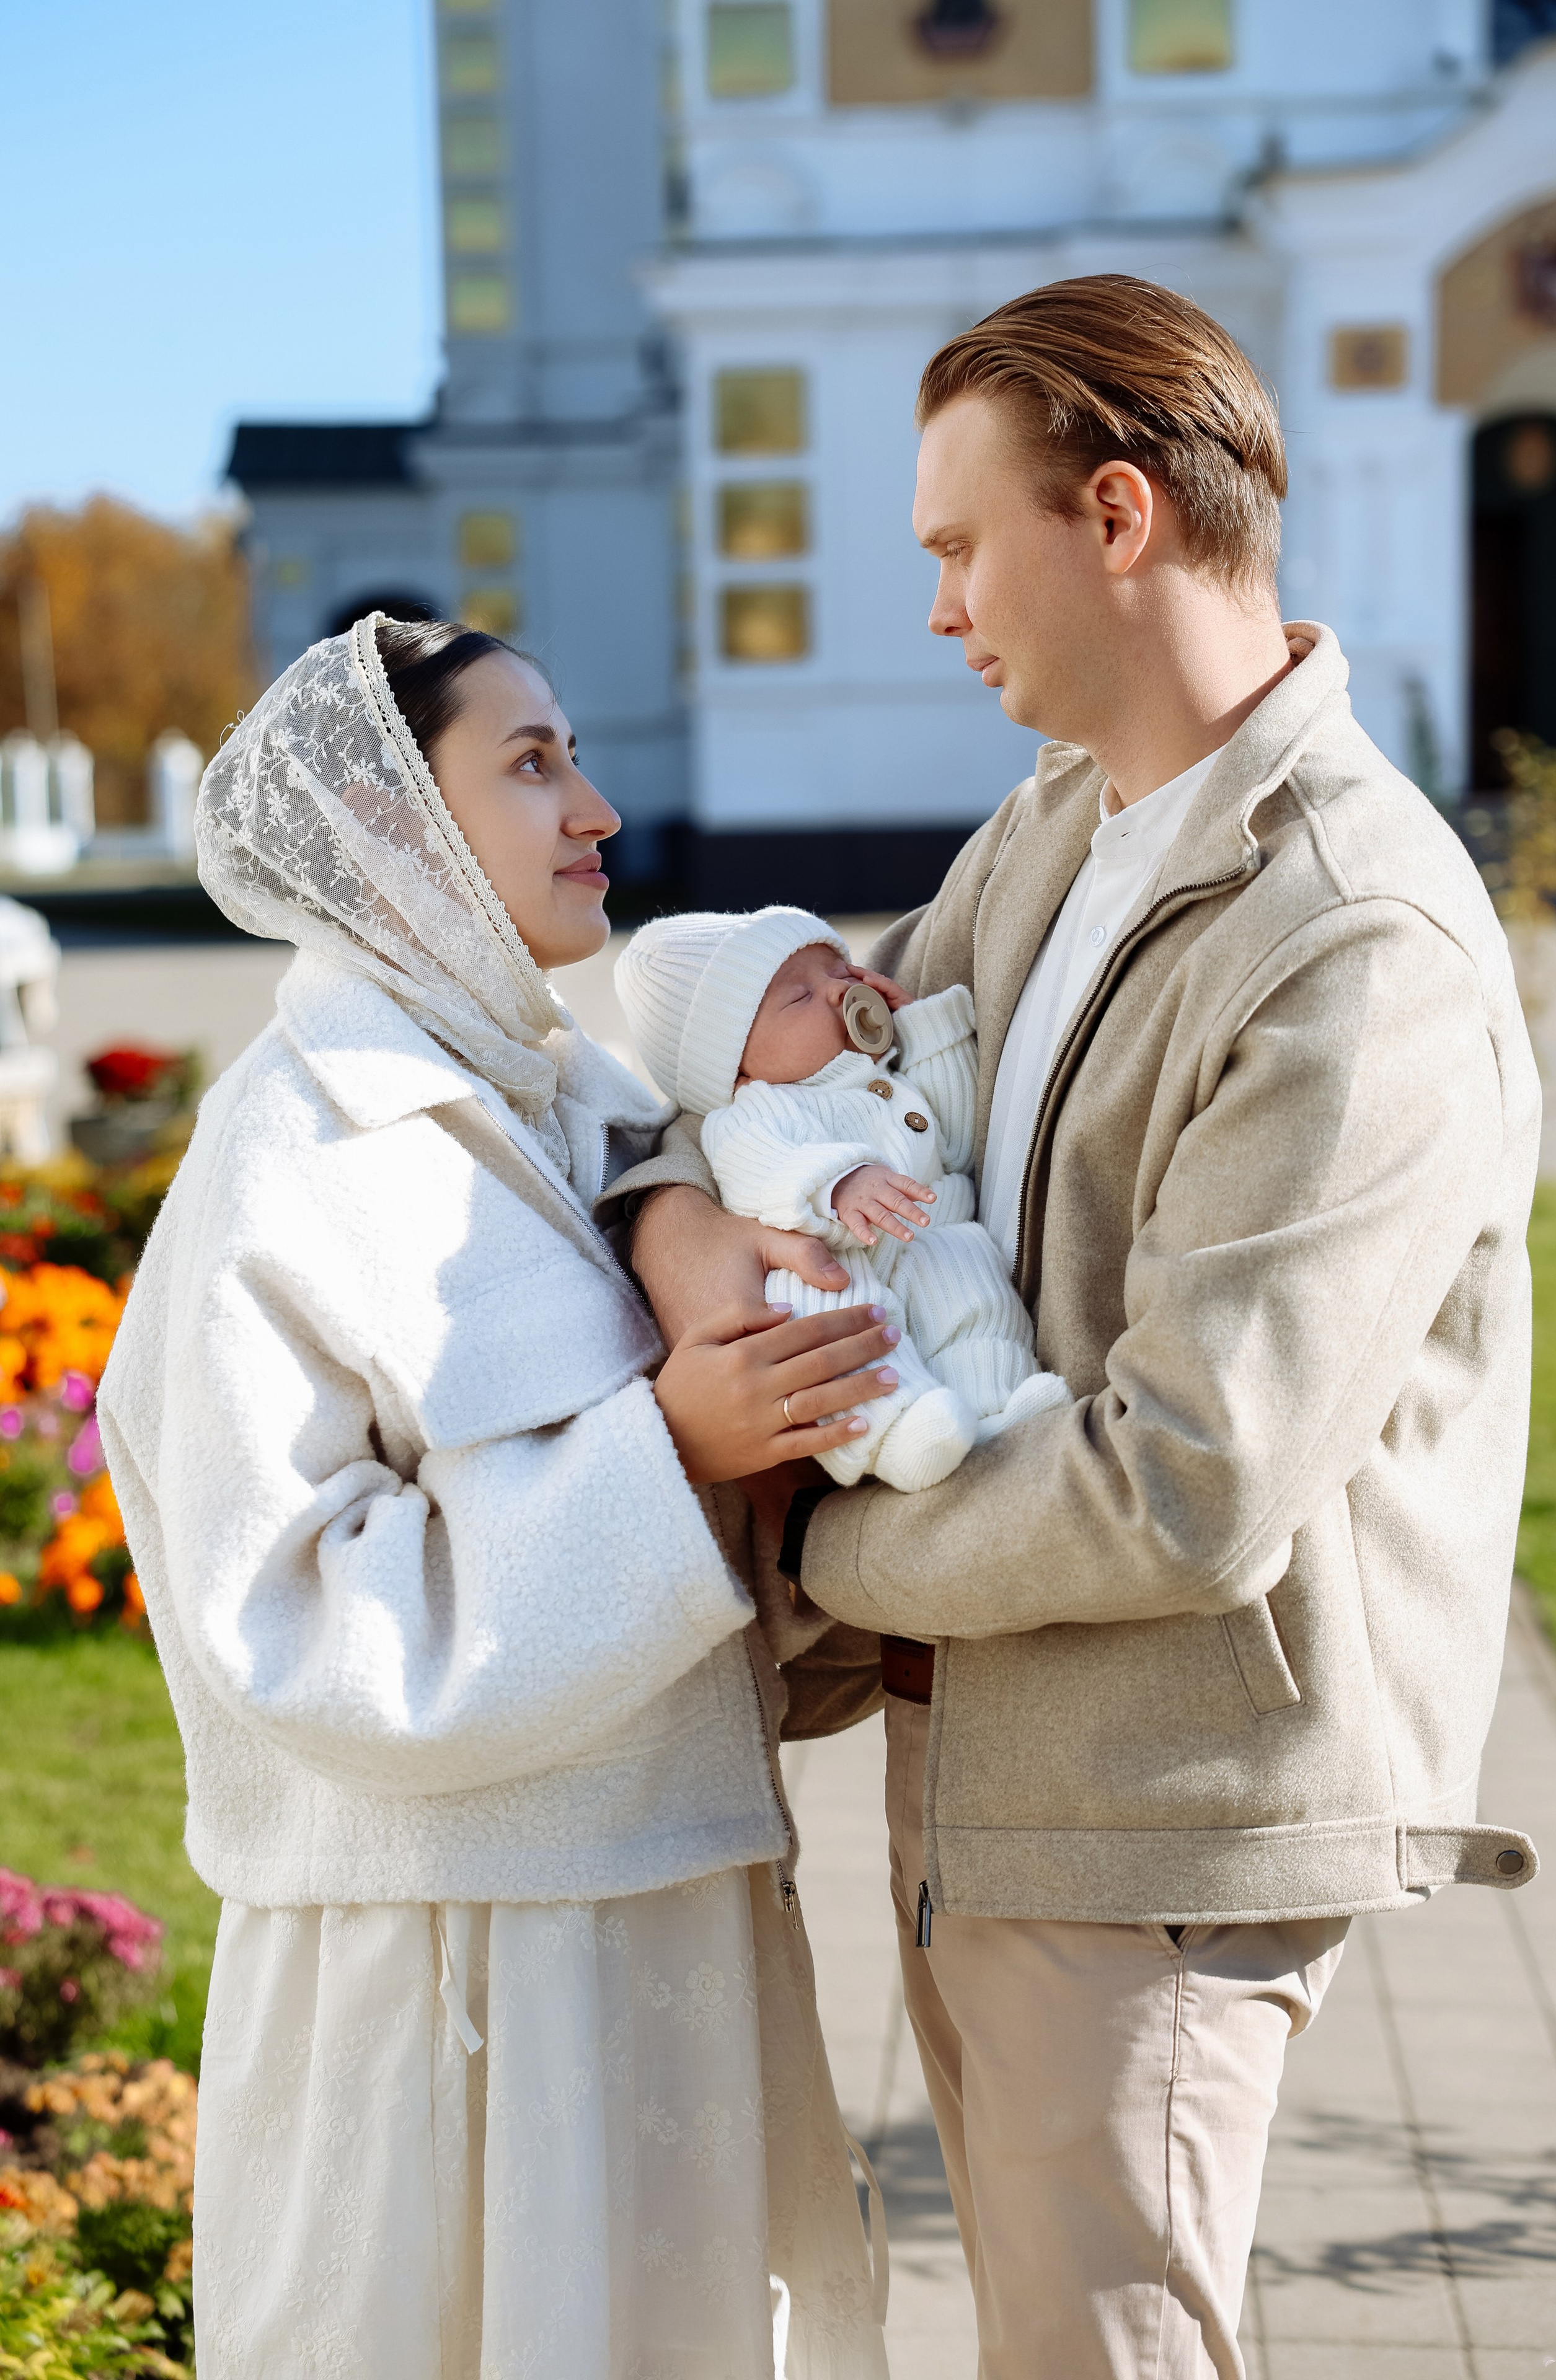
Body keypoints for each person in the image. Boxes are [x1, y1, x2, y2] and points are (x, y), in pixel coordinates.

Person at [607, 276, 1542, 2379]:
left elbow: (1193, 1480)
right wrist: (686, 1241)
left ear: (1116, 517)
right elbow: (764, 1097)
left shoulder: (1356, 938)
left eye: (958, 544)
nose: (937, 602)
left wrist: (814, 1539)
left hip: (1165, 1791)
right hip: (1002, 1740)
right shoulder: (1063, 819)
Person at [97, 613, 895, 2380]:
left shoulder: (581, 1108)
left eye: (573, 751)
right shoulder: (296, 1151)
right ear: (391, 825)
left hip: (664, 1930)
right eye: (530, 765)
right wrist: (673, 1451)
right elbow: (283, 1612)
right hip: (452, 1986)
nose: (596, 806)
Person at [614, 906, 1068, 1491]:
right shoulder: (756, 1110)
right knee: (830, 1322)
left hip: (929, 1243)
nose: (839, 993)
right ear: (737, 1071)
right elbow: (758, 1166)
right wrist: (838, 1183)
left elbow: (955, 1142)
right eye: (800, 998)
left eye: (841, 971)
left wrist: (924, 1029)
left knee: (976, 1301)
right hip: (837, 1258)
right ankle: (893, 1430)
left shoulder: (891, 1081)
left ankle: (997, 1404)